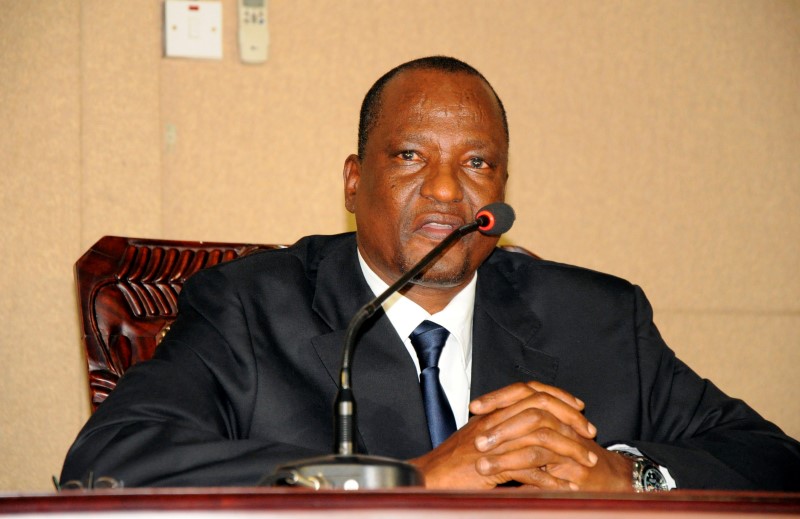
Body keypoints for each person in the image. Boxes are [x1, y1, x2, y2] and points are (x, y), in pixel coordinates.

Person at [60, 56, 800, 491]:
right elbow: (115, 456)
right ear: (354, 182)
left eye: (477, 163)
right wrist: (406, 478)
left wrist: (624, 475)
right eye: (411, 156)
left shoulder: (598, 318)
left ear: (503, 189)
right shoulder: (252, 306)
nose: (448, 191)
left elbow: (772, 460)